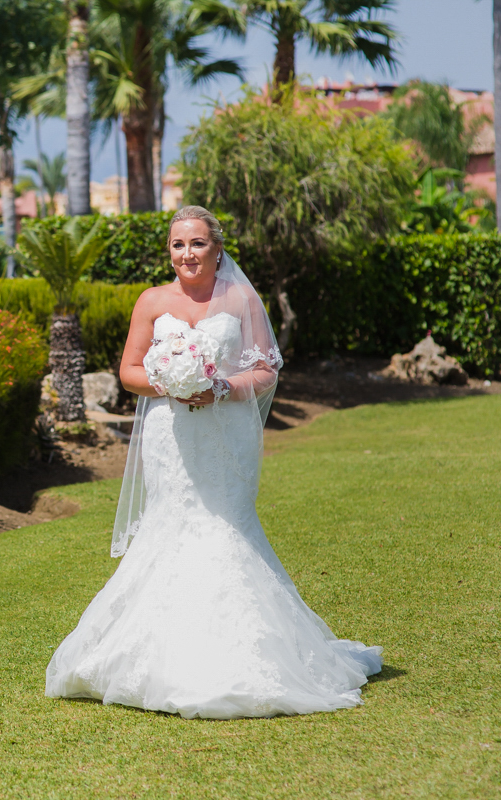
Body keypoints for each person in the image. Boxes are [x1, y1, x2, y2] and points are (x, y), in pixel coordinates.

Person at [44, 206, 382, 719]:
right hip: (170, 437)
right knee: (171, 527)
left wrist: (220, 387)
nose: (187, 255)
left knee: (225, 528)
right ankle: (153, 655)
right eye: (178, 245)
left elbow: (266, 371)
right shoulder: (152, 301)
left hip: (224, 437)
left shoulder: (241, 299)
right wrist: (169, 382)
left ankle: (244, 656)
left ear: (217, 248)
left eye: (197, 244)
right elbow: (129, 370)